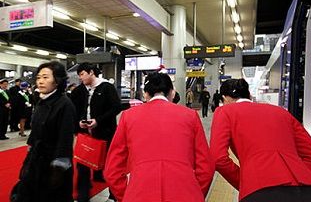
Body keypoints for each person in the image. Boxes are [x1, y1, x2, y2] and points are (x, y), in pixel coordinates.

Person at [104, 72, 214, 202]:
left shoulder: (128, 116)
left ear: (145, 94)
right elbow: (206, 167)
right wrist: (195, 193)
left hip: (140, 193)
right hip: (185, 193)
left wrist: (126, 195)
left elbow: (112, 170)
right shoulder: (190, 116)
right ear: (172, 93)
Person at [210, 78, 311, 202]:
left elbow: (218, 158)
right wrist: (299, 174)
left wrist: (246, 181)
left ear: (225, 98)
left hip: (261, 191)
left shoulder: (225, 111)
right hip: (310, 191)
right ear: (249, 95)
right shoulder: (281, 112)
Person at [13, 61, 76, 202]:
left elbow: (65, 140)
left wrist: (58, 170)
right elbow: (35, 134)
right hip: (36, 161)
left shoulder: (65, 104)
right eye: (39, 77)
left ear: (57, 81)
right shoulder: (41, 101)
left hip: (53, 165)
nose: (40, 81)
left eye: (46, 77)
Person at [70, 62, 122, 202]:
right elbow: (72, 110)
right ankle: (83, 195)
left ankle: (114, 195)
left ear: (91, 72)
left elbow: (116, 107)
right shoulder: (78, 91)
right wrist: (79, 122)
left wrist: (98, 120)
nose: (80, 78)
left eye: (82, 74)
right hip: (85, 134)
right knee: (82, 164)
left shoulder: (106, 88)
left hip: (105, 133)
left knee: (110, 165)